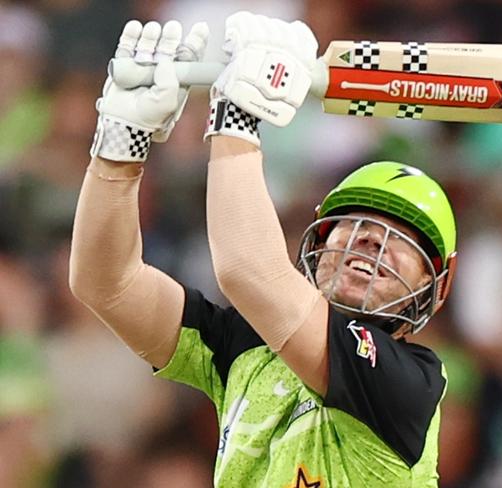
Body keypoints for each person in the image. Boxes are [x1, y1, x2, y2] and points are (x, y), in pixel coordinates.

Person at [70, 13, 458, 487]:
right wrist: (120, 141)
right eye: (353, 223)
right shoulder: (246, 346)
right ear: (317, 244)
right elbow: (107, 283)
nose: (372, 239)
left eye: (404, 238)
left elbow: (249, 271)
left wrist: (238, 113)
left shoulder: (408, 385)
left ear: (433, 286)